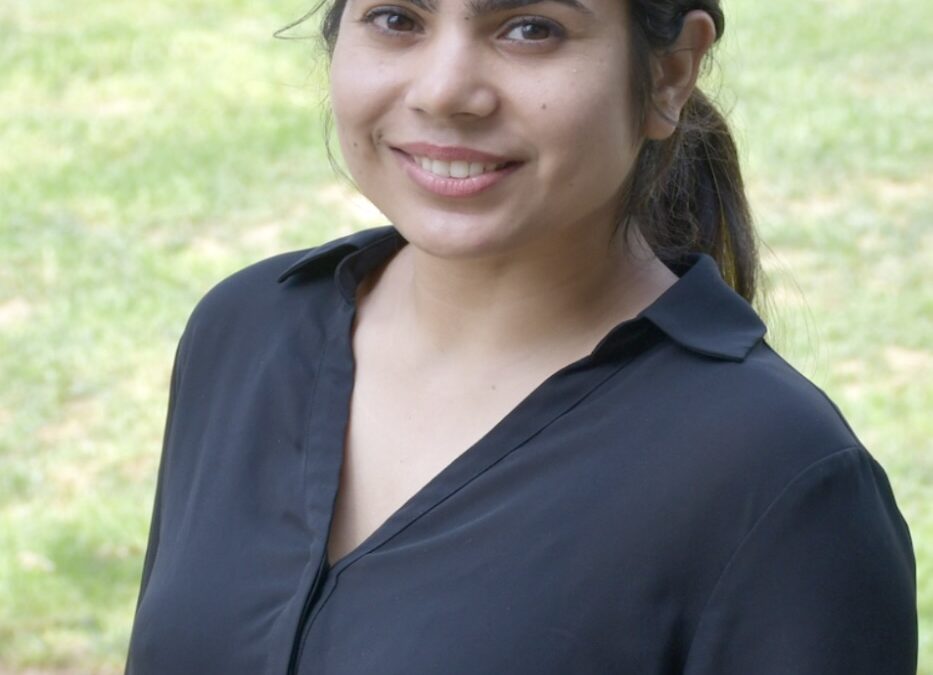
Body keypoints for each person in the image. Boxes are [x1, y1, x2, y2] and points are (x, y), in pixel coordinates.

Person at [124, 0, 918, 672]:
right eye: (396, 19)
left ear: (670, 72)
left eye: (530, 29)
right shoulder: (246, 330)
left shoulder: (778, 477)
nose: (444, 91)